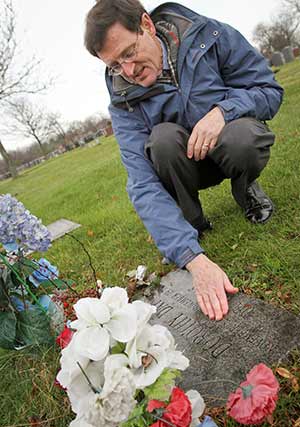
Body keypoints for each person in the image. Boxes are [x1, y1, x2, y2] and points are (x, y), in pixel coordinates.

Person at [84, 0, 283, 321]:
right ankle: (192, 225)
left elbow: (269, 90)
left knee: (243, 138)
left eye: (129, 52)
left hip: (231, 145)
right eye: (115, 65)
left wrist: (223, 112)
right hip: (184, 166)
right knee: (161, 140)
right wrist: (192, 257)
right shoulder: (123, 101)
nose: (129, 71)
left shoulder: (211, 36)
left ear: (147, 26)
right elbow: (143, 183)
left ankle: (246, 190)